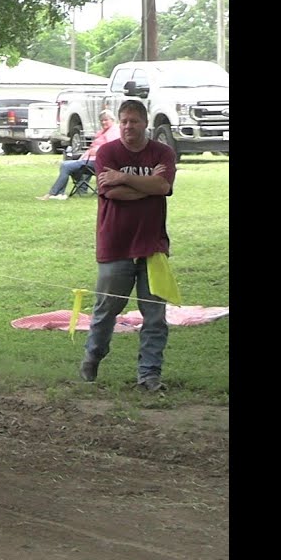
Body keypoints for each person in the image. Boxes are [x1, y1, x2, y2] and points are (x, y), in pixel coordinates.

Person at [79, 99, 177, 392]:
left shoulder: (163, 152)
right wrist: (147, 187)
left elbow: (163, 187)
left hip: (152, 246)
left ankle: (149, 375)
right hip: (115, 244)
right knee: (106, 310)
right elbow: (111, 192)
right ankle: (92, 358)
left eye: (134, 121)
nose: (128, 126)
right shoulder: (108, 152)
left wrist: (124, 177)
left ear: (145, 123)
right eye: (123, 121)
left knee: (155, 315)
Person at [37, 110, 120, 201]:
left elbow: (112, 149)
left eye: (106, 120)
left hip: (100, 163)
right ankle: (80, 188)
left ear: (112, 120)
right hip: (90, 160)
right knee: (69, 162)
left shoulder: (114, 132)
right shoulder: (103, 132)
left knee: (65, 166)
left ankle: (54, 193)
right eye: (101, 120)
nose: (103, 122)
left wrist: (97, 152)